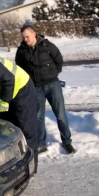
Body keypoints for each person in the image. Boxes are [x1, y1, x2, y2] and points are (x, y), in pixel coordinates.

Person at [16, 24, 76, 154]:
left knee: (60, 115)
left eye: (27, 36)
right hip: (35, 87)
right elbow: (19, 69)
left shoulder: (47, 45)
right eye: (23, 37)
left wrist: (53, 74)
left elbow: (58, 60)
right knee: (38, 117)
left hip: (52, 84)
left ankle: (67, 142)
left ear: (34, 34)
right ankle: (41, 143)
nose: (25, 39)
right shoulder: (21, 50)